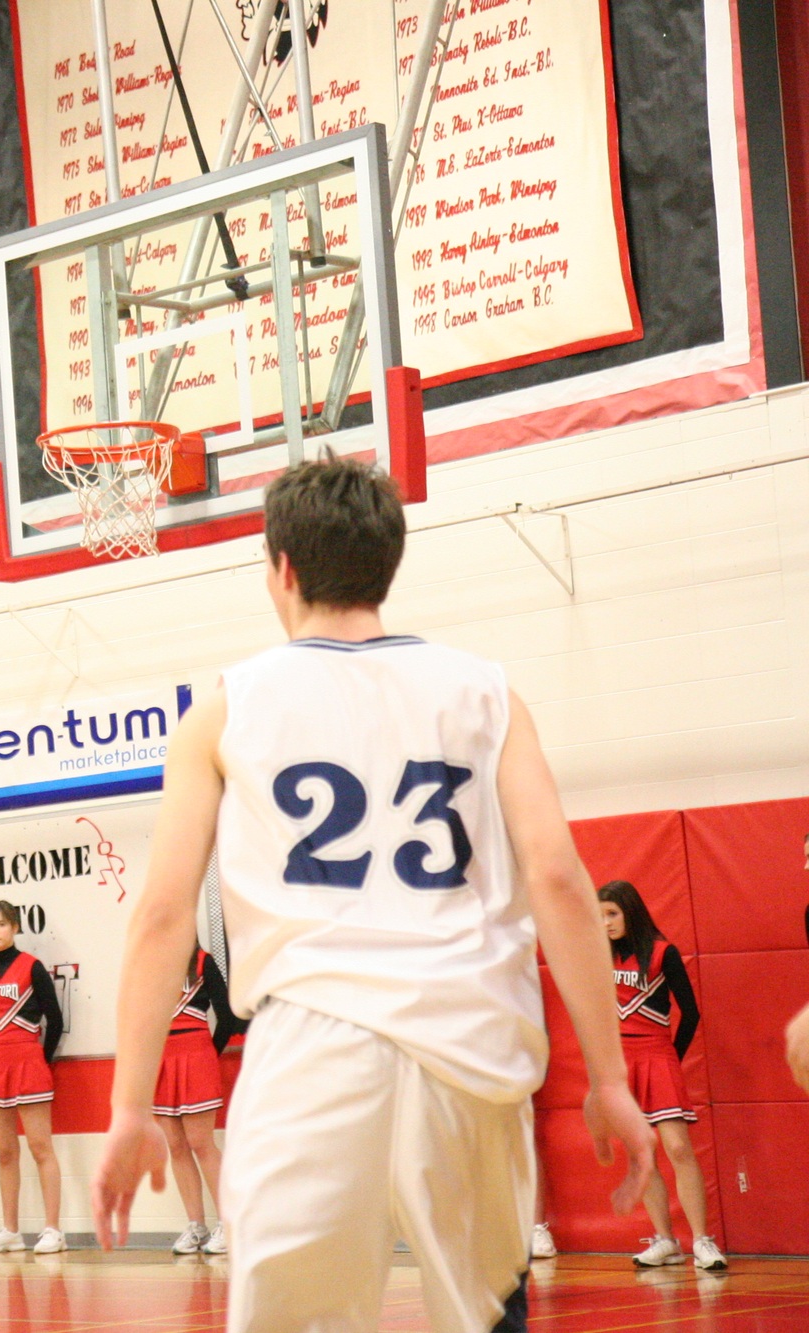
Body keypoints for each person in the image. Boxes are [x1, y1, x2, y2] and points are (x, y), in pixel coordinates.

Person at [88, 457, 656, 1333]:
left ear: (281, 567)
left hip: (311, 1047)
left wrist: (130, 1105)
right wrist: (609, 1076)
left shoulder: (226, 708)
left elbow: (163, 915)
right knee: (486, 1314)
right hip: (469, 1038)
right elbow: (558, 880)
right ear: (388, 562)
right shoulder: (488, 693)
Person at [597, 879, 724, 1271]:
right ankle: (665, 1240)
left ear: (630, 911)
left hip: (656, 1054)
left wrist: (671, 1057)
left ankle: (702, 1241)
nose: (606, 923)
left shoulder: (662, 952)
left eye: (612, 914)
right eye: (600, 916)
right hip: (621, 1062)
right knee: (642, 1155)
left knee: (679, 1148)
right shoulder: (598, 955)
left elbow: (691, 1012)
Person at [0, 901, 66, 1257]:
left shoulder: (32, 966)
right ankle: (10, 1230)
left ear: (14, 927)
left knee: (41, 1148)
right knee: (5, 1151)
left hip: (29, 1061)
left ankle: (53, 1229)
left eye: (2, 924)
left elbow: (55, 1020)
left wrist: (42, 1060)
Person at [153, 944, 241, 1256]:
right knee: (176, 1146)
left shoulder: (203, 962)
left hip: (196, 1056)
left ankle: (228, 1224)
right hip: (161, 1061)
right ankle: (196, 1225)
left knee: (201, 1144)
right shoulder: (151, 964)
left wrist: (205, 1055)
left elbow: (227, 1018)